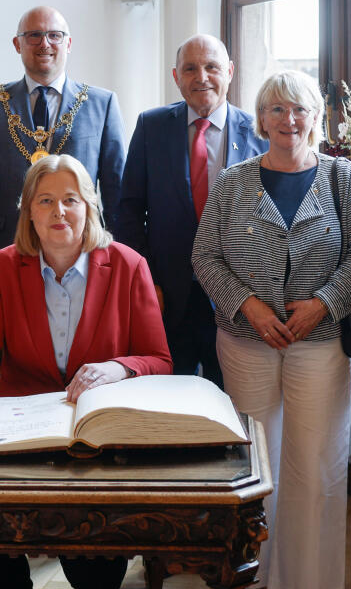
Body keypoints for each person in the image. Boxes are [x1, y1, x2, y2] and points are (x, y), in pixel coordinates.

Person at [0, 154, 171, 589]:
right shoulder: (5, 267)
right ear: (27, 212)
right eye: (45, 199)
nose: (59, 210)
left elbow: (159, 359)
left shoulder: (129, 265)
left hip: (99, 435)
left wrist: (117, 367)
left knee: (99, 535)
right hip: (23, 430)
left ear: (90, 205)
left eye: (71, 198)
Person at [192, 70, 351, 589]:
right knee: (258, 466)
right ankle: (263, 578)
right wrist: (248, 306)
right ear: (260, 119)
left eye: (297, 109)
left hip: (317, 347)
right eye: (275, 110)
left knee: (314, 466)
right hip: (246, 343)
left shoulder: (342, 177)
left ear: (314, 117)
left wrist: (321, 305)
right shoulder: (232, 181)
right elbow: (204, 255)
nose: (287, 120)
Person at [114, 34, 267, 387]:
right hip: (168, 296)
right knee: (166, 402)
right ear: (176, 77)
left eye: (212, 67)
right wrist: (147, 280)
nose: (202, 77)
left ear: (229, 71)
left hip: (238, 299)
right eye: (190, 68)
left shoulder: (259, 133)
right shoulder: (151, 127)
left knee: (231, 402)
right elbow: (129, 211)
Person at [0, 5, 125, 314]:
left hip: (83, 253)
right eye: (34, 35)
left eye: (54, 35)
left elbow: (116, 196)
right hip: (5, 251)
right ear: (17, 44)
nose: (45, 44)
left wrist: (119, 266)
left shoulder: (103, 104)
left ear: (69, 44)